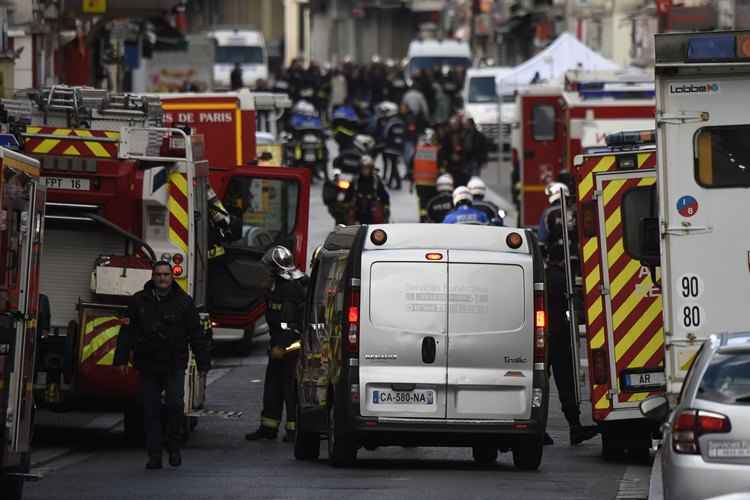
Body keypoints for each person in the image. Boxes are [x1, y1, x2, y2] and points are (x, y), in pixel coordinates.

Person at [114, 261, 211, 470]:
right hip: (147, 363)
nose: (162, 278)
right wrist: (121, 359)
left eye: (166, 274)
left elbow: (196, 335)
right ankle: (154, 454)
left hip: (174, 363)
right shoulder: (138, 301)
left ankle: (174, 447)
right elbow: (127, 332)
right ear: (152, 276)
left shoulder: (184, 302)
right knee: (150, 410)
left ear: (172, 277)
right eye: (158, 274)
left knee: (175, 405)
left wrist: (203, 364)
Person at [245, 246, 307, 443]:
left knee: (290, 387)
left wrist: (281, 346)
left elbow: (287, 323)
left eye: (269, 269)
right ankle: (268, 427)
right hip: (279, 343)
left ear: (276, 268)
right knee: (273, 386)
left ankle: (293, 429)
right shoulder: (282, 284)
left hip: (290, 345)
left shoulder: (289, 288)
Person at [545, 243, 599, 446]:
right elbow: (577, 309)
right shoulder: (564, 280)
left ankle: (538, 430)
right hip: (560, 338)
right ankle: (575, 427)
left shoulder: (541, 276)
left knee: (540, 385)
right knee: (567, 385)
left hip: (541, 337)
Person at [344, 155, 390, 224]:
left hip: (372, 210)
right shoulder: (355, 180)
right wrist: (346, 205)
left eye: (367, 168)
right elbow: (348, 194)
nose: (365, 171)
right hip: (358, 209)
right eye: (363, 168)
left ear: (371, 169)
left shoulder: (376, 180)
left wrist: (386, 207)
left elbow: (384, 195)